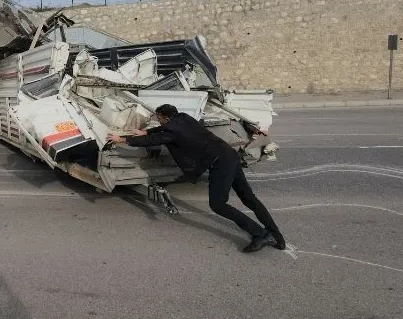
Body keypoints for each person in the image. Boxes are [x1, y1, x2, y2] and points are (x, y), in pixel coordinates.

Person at [107, 104, 285, 253]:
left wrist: (122, 139)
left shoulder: (172, 131)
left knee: (218, 204)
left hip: (219, 162)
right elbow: (162, 129)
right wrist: (145, 132)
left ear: (165, 117)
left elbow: (154, 140)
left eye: (158, 118)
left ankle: (260, 234)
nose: (158, 120)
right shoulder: (184, 118)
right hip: (229, 155)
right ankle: (277, 237)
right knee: (249, 198)